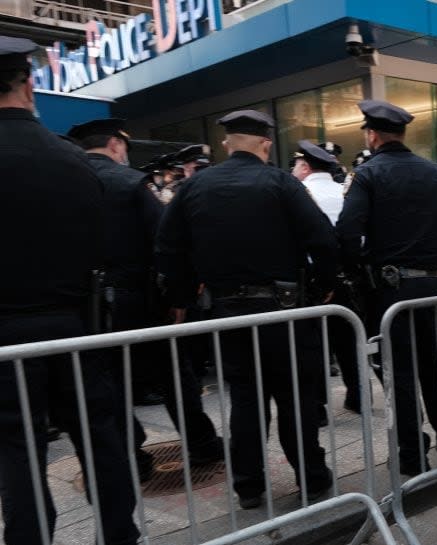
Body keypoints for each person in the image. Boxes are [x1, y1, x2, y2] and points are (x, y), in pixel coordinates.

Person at [0, 35, 141, 545]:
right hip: (75, 323)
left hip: (6, 333)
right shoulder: (74, 162)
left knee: (20, 452)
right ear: (29, 85)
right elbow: (98, 248)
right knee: (99, 438)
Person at [156, 109, 337, 510]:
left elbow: (168, 247)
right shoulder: (281, 183)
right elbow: (322, 239)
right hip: (281, 309)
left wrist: (182, 298)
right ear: (266, 143)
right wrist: (324, 286)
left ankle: (249, 487)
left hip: (226, 310)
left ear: (226, 142)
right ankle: (311, 478)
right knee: (293, 397)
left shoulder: (195, 186)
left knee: (245, 397)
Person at [337, 100, 437, 475]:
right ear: (402, 134)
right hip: (435, 287)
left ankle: (412, 455)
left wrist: (358, 274)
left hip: (390, 293)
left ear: (372, 134)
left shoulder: (368, 175)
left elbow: (347, 234)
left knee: (399, 374)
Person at [68, 118, 223, 471]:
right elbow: (165, 242)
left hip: (85, 303)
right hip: (137, 298)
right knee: (172, 374)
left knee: (109, 382)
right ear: (115, 145)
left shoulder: (62, 183)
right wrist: (178, 297)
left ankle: (130, 455)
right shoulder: (130, 182)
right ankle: (201, 444)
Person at [292, 139, 361, 414]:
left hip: (312, 280)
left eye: (296, 165)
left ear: (305, 166)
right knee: (347, 340)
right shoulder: (345, 191)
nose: (294, 170)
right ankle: (358, 395)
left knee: (313, 347)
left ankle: (318, 406)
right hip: (345, 277)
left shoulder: (298, 192)